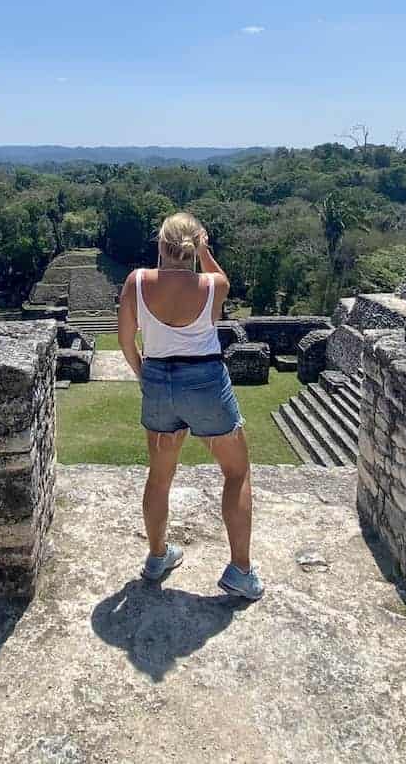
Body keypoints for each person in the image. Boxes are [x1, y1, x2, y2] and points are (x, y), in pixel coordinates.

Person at [116, 211, 264, 600]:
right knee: (236, 473)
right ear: (194, 246)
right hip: (205, 382)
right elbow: (220, 282)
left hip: (158, 380)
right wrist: (205, 251)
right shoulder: (213, 285)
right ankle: (240, 570)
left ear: (160, 244)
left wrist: (143, 374)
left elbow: (127, 342)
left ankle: (157, 555)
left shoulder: (137, 282)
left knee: (160, 476)